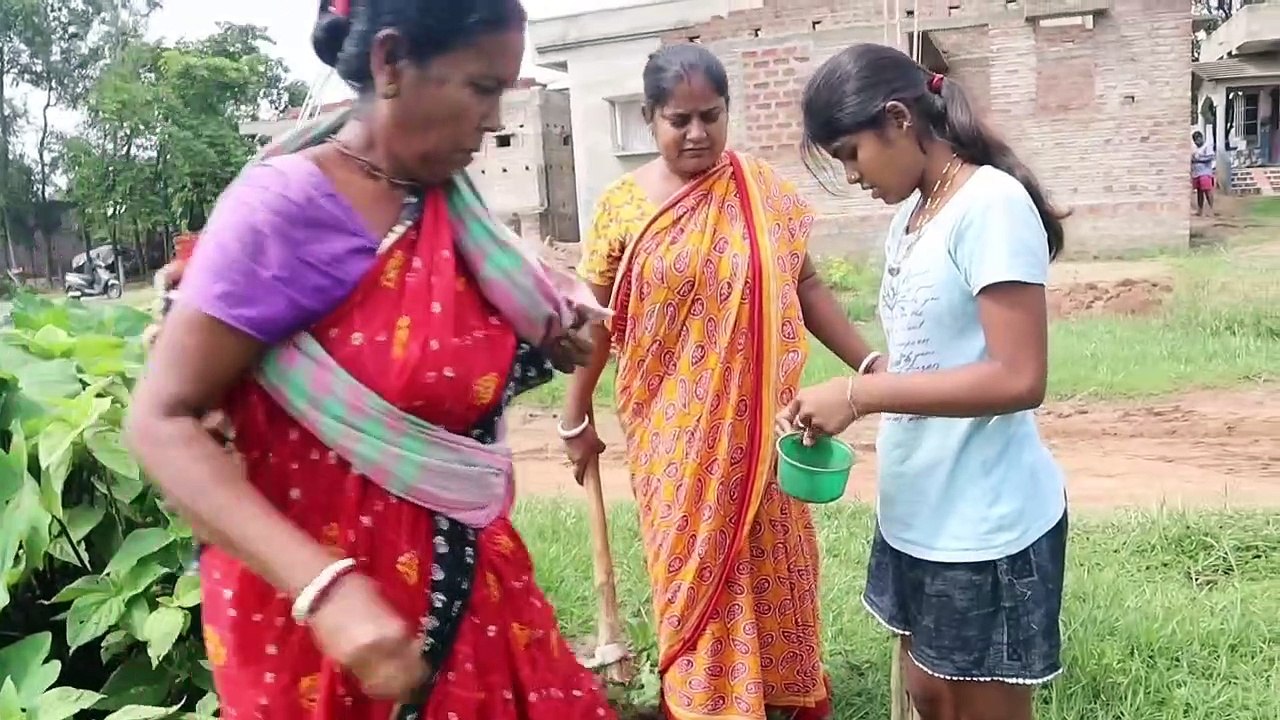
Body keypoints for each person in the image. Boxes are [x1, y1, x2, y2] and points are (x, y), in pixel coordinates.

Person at [125, 2, 616, 719]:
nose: (495, 119)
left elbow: (436, 359)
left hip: (471, 589)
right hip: (324, 637)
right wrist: (325, 590)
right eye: (481, 88)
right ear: (390, 63)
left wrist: (545, 325)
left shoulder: (450, 206)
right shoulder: (288, 210)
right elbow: (160, 419)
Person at [562, 43, 884, 720]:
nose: (698, 133)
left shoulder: (763, 192)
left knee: (773, 565)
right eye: (679, 119)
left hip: (768, 432)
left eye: (711, 115)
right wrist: (574, 415)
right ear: (650, 119)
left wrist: (867, 363)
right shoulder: (623, 208)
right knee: (694, 572)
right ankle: (708, 703)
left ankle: (777, 695)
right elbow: (591, 322)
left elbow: (806, 282)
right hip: (674, 441)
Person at [783, 43, 1069, 720]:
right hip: (919, 511)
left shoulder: (989, 205)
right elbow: (933, 351)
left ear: (898, 119)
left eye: (851, 153)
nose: (850, 175)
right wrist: (869, 373)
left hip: (986, 526)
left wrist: (860, 395)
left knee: (979, 710)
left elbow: (1020, 376)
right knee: (930, 696)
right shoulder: (912, 217)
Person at [1191, 131, 1216, 216]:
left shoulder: (1207, 147)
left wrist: (1198, 159)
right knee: (1199, 192)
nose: (1197, 142)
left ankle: (1212, 209)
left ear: (1201, 138)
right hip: (1196, 173)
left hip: (1205, 172)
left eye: (1198, 139)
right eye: (1195, 140)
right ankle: (1200, 210)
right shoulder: (1195, 149)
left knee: (1207, 191)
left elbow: (1210, 157)